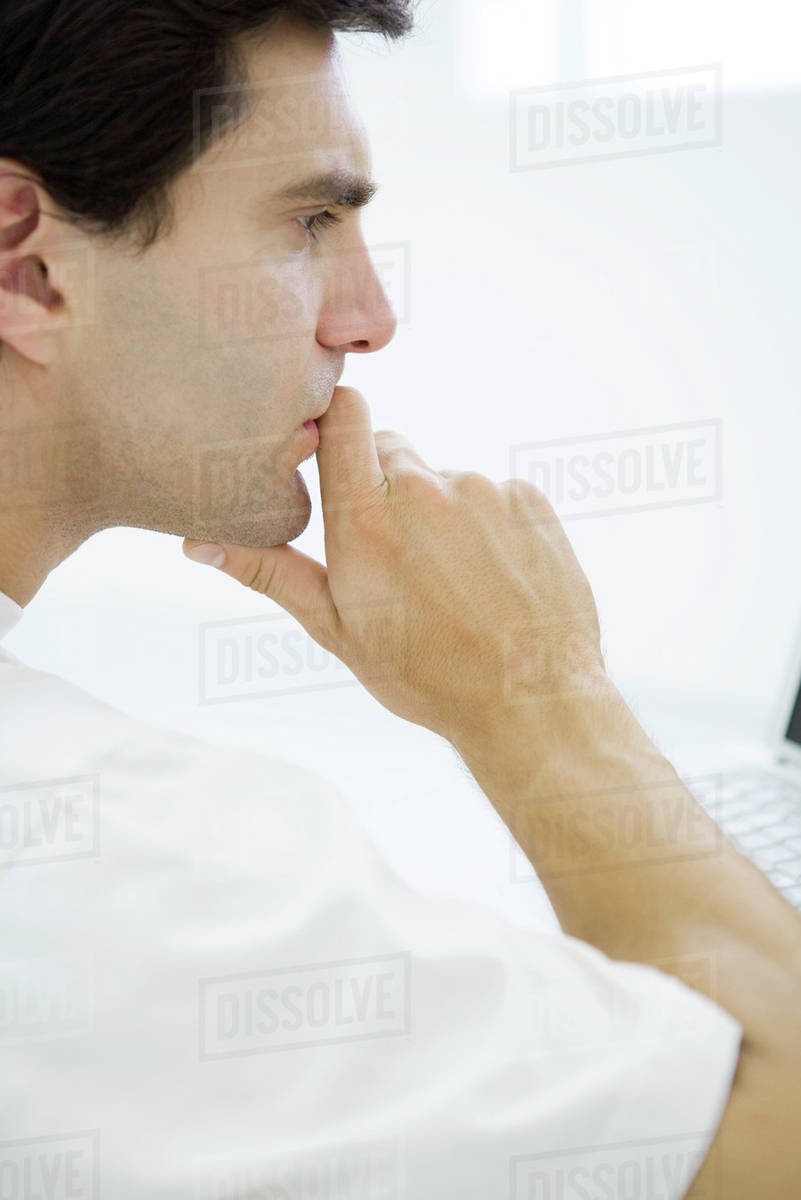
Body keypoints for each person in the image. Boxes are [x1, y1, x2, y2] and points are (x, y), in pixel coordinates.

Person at [0, 3, 797, 1196]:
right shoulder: (114, 854)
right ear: (27, 262)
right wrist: (539, 696)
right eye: (309, 221)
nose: (369, 320)